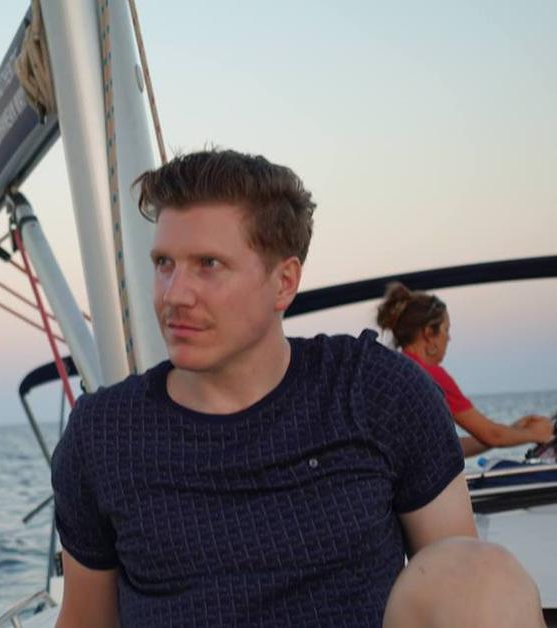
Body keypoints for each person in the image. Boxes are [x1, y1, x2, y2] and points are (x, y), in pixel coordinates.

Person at [50, 149, 544, 627]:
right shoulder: (104, 436)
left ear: (284, 282)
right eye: (164, 263)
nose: (174, 294)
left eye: (208, 264)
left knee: (482, 574)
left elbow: (459, 589)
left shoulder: (375, 392)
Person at [376, 282, 553, 458]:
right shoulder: (429, 376)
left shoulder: (393, 370)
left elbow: (448, 449)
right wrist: (537, 434)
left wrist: (513, 431)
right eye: (446, 330)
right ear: (429, 333)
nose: (449, 338)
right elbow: (493, 436)